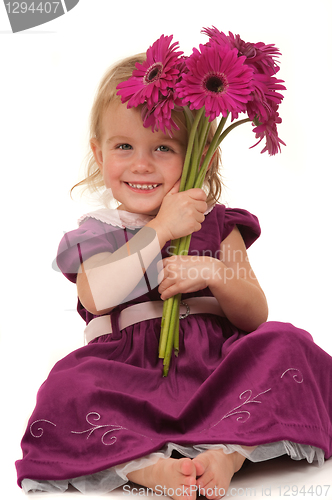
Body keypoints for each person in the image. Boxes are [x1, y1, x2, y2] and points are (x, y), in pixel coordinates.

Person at [16, 54, 332, 500]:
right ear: (98, 153)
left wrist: (216, 273)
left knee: (288, 342)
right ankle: (147, 467)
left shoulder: (219, 223)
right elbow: (98, 294)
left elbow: (255, 314)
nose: (141, 164)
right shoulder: (98, 230)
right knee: (66, 385)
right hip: (126, 374)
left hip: (214, 370)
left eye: (162, 148)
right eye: (123, 147)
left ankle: (228, 452)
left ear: (200, 155)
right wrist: (160, 229)